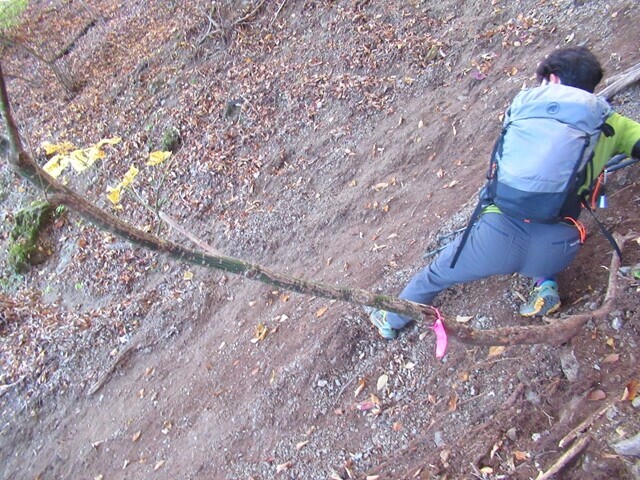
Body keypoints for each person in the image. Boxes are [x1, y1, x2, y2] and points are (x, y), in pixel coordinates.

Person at [369, 46, 640, 340]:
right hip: (560, 248)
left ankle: (390, 319)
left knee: (434, 275)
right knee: (551, 207)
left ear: (553, 78)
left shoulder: (524, 109)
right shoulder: (609, 122)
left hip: (493, 241)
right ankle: (545, 283)